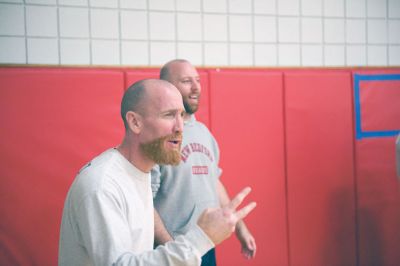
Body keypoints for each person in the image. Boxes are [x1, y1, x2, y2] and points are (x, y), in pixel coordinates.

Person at [58, 79, 256, 266]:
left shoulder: (141, 171)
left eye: (181, 114)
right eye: (169, 115)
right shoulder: (101, 185)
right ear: (135, 122)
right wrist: (200, 239)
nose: (180, 127)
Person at [152, 60, 257, 265]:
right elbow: (144, 200)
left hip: (205, 245)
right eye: (186, 81)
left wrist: (241, 228)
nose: (195, 87)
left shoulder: (204, 134)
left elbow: (214, 183)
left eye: (197, 80)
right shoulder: (156, 136)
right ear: (167, 87)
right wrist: (173, 249)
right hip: (171, 249)